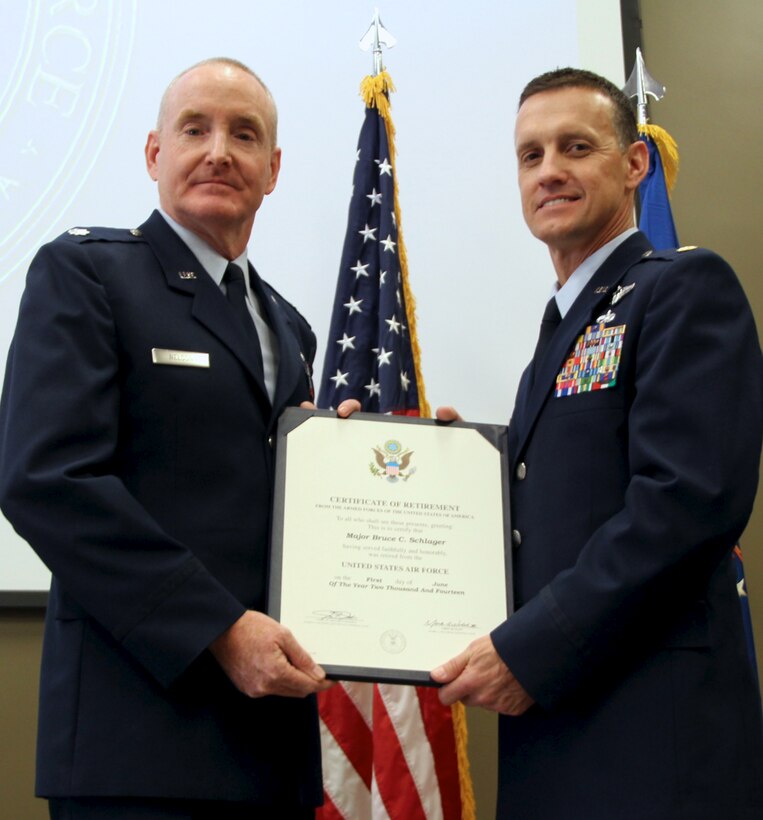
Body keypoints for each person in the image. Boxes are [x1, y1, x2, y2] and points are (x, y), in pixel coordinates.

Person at [0, 58, 354, 819]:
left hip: (268, 746)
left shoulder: (286, 326)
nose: (219, 150)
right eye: (195, 129)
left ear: (273, 169)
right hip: (135, 741)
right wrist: (219, 628)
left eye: (244, 134)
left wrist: (350, 469)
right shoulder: (86, 274)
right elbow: (46, 479)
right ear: (155, 153)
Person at [431, 68, 763, 819]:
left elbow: (685, 503)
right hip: (561, 733)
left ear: (634, 163)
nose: (548, 170)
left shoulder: (681, 289)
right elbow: (556, 513)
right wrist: (451, 478)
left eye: (574, 147)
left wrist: (528, 651)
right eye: (530, 155)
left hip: (651, 740)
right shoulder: (557, 334)